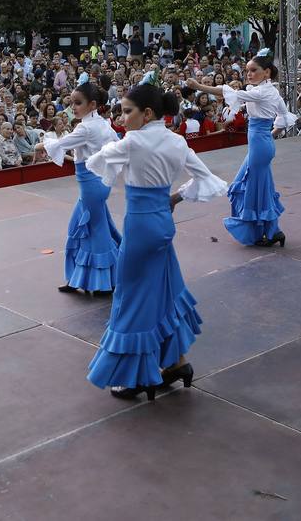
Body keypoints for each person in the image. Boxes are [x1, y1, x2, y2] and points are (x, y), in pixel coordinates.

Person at [84, 83, 228, 401]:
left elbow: (96, 161)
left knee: (131, 300)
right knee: (163, 292)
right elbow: (208, 179)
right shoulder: (176, 142)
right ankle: (177, 363)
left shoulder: (133, 141)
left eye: (126, 110)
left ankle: (137, 377)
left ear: (146, 113)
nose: (121, 117)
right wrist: (175, 197)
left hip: (139, 228)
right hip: (163, 225)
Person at [188, 52, 295, 247]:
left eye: (254, 71)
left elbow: (228, 93)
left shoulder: (261, 92)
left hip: (260, 144)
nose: (249, 74)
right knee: (260, 187)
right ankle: (273, 230)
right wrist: (270, 134)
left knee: (257, 188)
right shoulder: (269, 91)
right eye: (247, 71)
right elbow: (284, 116)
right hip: (262, 143)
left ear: (267, 72)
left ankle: (271, 232)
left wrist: (198, 86)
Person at [40, 80, 122, 295]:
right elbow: (116, 144)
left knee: (93, 232)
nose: (73, 107)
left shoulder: (85, 128)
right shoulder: (104, 124)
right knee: (84, 228)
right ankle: (82, 279)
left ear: (92, 104)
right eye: (72, 102)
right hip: (99, 183)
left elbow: (58, 144)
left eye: (78, 103)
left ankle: (104, 282)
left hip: (91, 187)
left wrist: (42, 142)